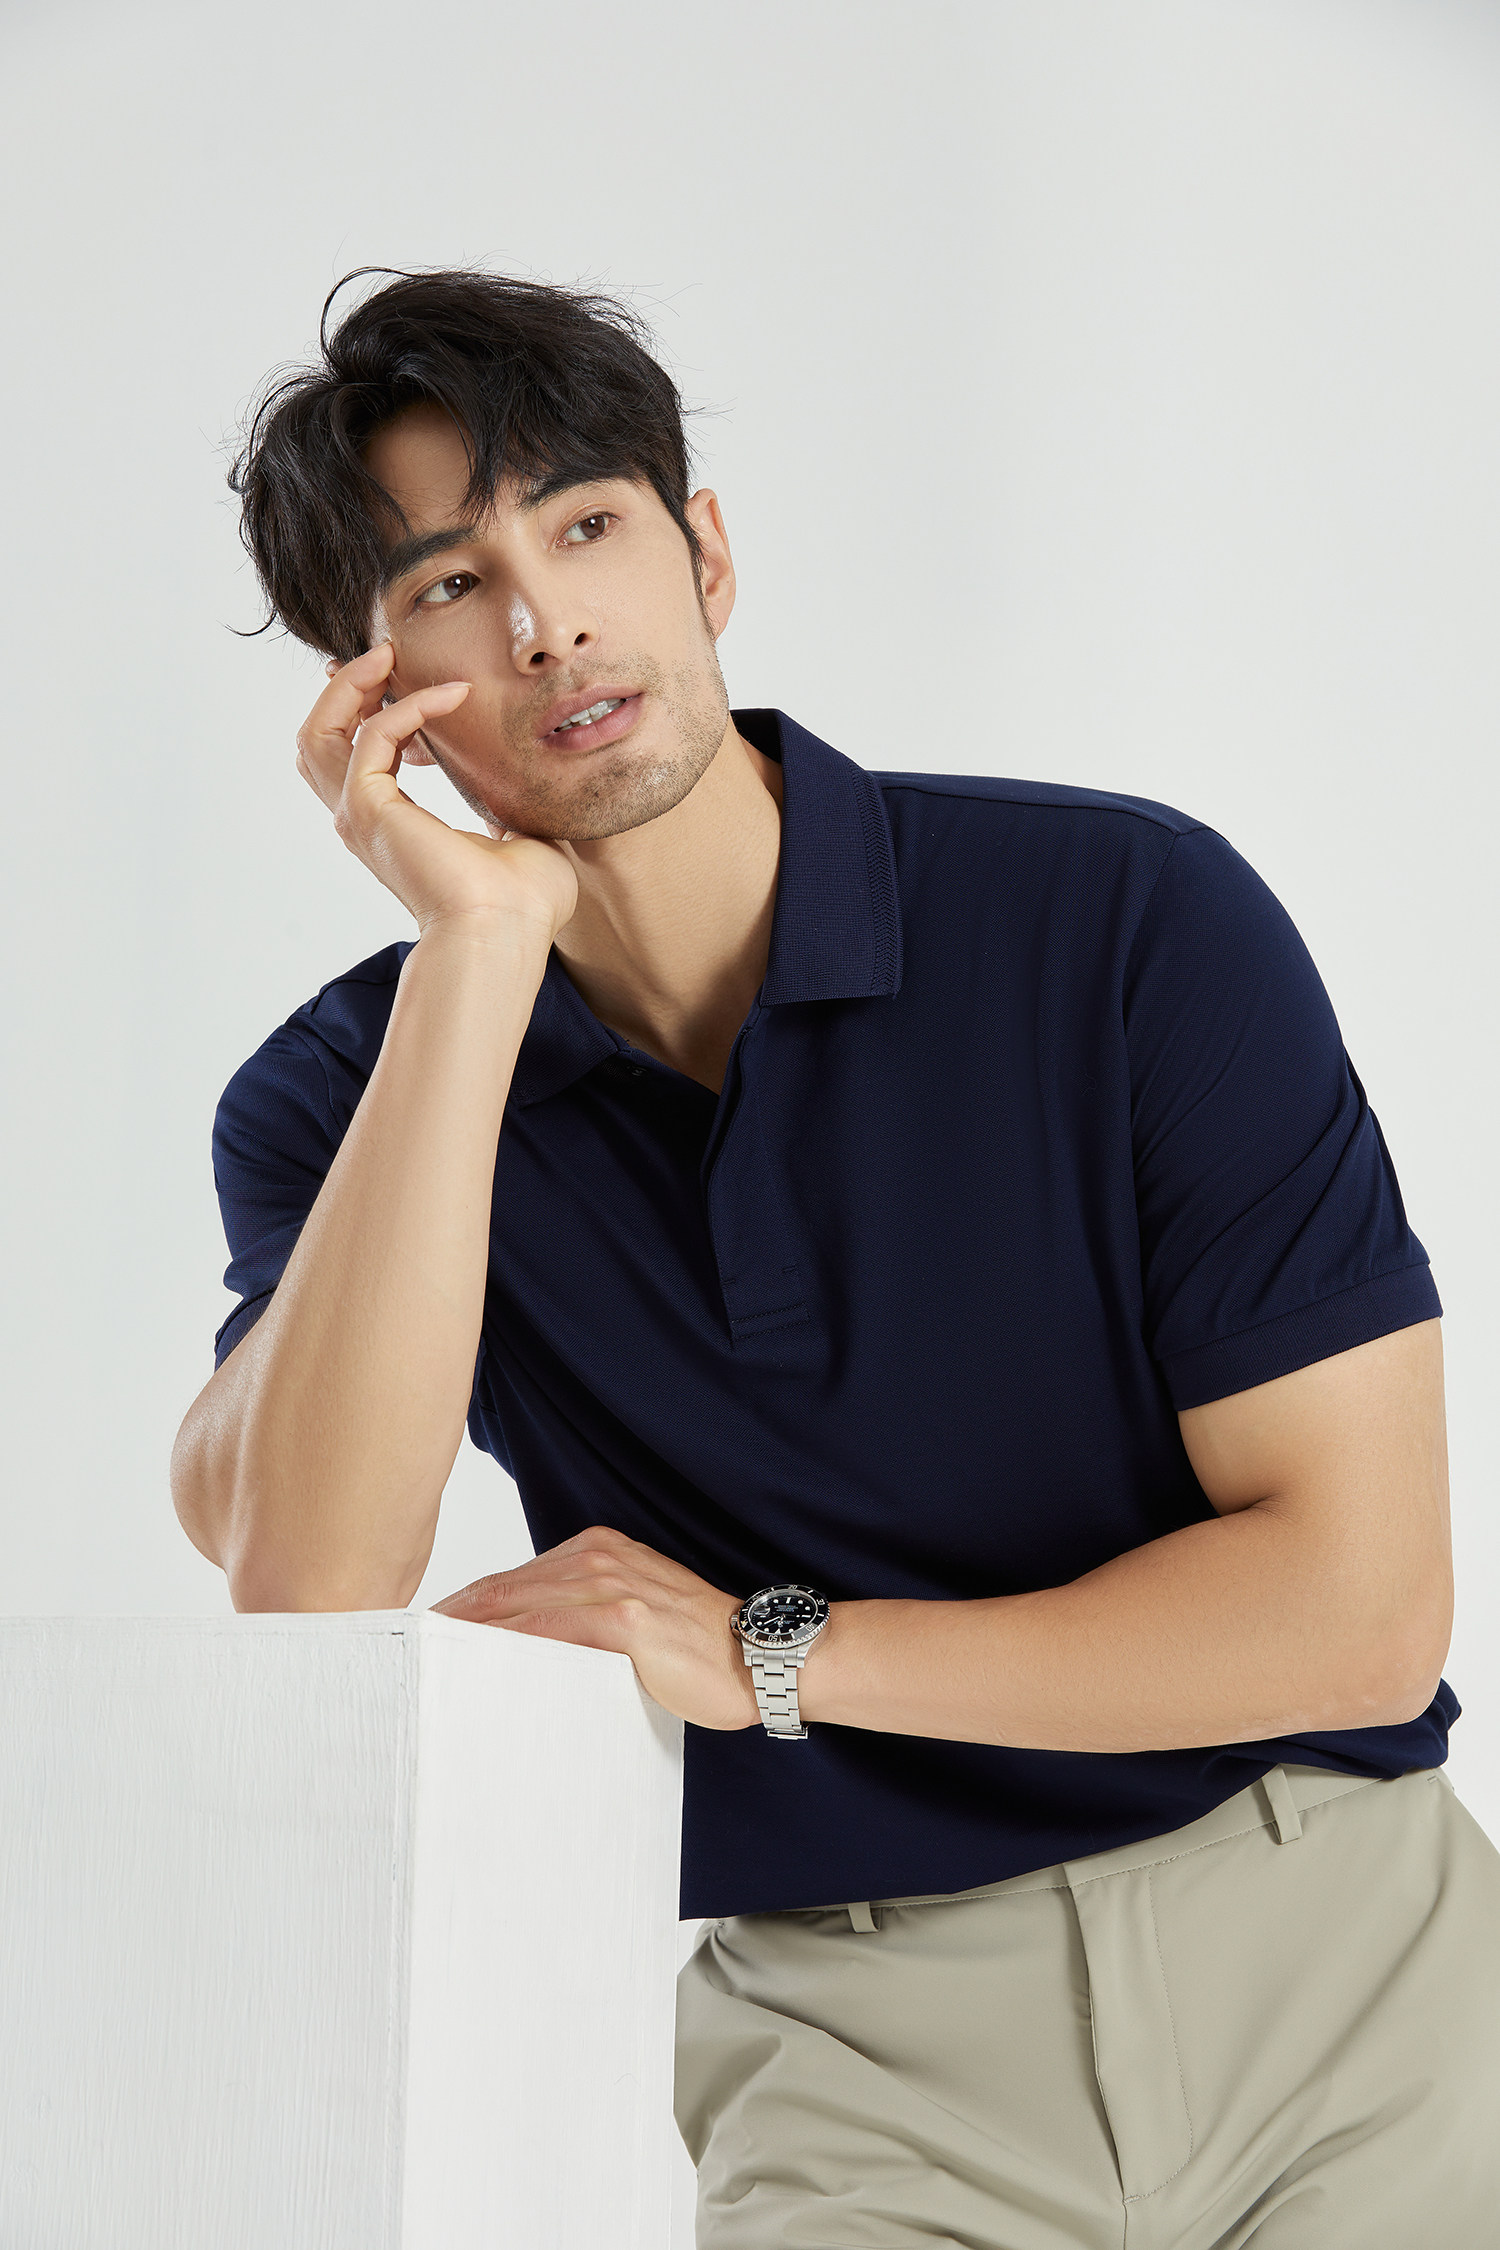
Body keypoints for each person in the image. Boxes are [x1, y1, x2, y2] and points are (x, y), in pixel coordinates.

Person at [170, 265, 1499, 2247]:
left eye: (587, 527)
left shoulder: (1124, 917)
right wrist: (476, 955)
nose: (546, 624)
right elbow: (313, 1575)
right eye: (450, 583)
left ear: (705, 553)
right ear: (370, 702)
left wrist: (769, 1654)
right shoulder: (348, 1104)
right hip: (856, 2044)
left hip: (1343, 1968)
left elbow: (1362, 1605)